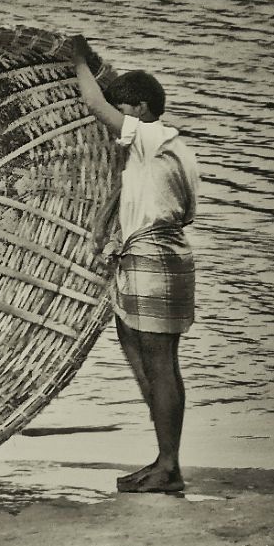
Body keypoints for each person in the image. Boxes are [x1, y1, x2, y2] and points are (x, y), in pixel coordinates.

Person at [71, 35, 199, 493]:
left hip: (155, 258)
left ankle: (169, 465)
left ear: (141, 109)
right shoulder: (165, 148)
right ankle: (165, 457)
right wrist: (105, 222)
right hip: (157, 255)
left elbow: (94, 105)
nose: (116, 115)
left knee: (161, 362)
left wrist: (78, 60)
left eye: (123, 106)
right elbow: (147, 197)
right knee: (134, 341)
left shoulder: (149, 136)